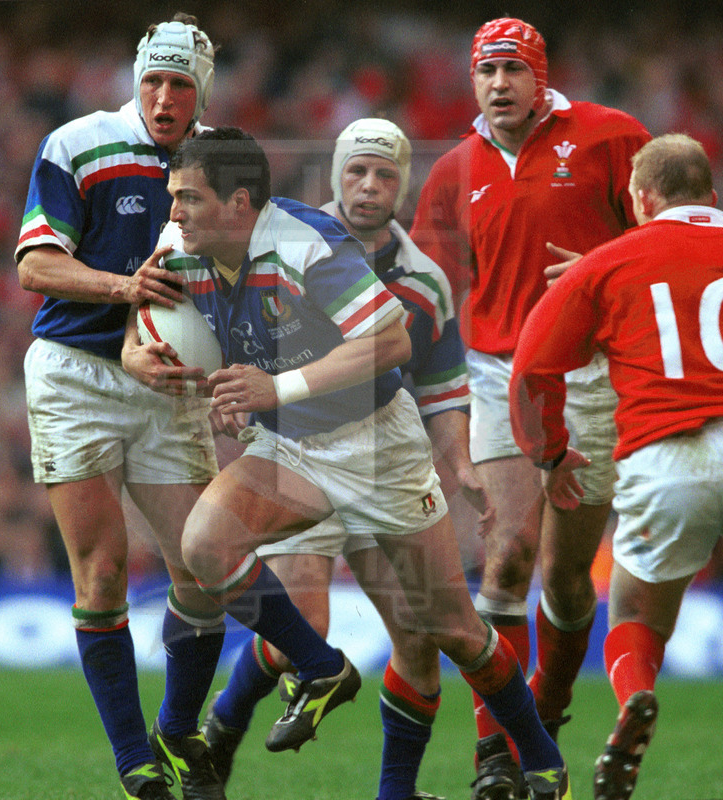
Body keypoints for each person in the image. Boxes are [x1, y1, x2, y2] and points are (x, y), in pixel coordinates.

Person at [122, 125, 573, 800]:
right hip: (290, 447)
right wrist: (143, 360)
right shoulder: (179, 247)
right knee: (205, 545)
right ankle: (318, 665)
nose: (174, 213)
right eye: (172, 198)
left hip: (375, 448)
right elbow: (141, 323)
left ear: (239, 204)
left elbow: (389, 341)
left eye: (188, 199)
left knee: (450, 627)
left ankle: (541, 758)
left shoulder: (304, 244)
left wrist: (277, 387)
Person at [195, 118, 489, 800]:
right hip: (304, 453)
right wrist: (234, 395)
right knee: (305, 623)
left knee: (418, 638)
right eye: (356, 171)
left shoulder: (426, 282)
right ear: (335, 175)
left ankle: (395, 792)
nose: (369, 185)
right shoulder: (285, 238)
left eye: (385, 174)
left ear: (403, 185)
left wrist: (464, 465)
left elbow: (443, 392)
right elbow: (232, 326)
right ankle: (222, 732)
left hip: (383, 459)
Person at [409, 17, 651, 797]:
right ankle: (500, 754)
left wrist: (609, 265)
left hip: (593, 376)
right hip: (497, 377)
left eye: (513, 69)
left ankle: (546, 706)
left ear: (540, 74)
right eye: (486, 72)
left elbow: (680, 237)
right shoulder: (455, 169)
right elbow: (427, 292)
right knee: (508, 555)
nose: (499, 84)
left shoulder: (613, 138)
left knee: (568, 573)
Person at [15, 14, 228, 800]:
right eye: (154, 81)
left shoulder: (220, 160)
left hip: (167, 379)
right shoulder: (78, 143)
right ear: (135, 80)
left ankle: (176, 726)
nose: (166, 98)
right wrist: (125, 287)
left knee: (204, 569)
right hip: (76, 373)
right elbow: (37, 267)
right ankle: (134, 760)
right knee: (102, 574)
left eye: (181, 84)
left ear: (202, 91)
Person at [509, 133, 723, 800]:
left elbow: (530, 370)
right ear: (712, 196)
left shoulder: (609, 264)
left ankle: (634, 698)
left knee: (634, 606)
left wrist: (550, 452)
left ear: (639, 199)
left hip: (671, 453)